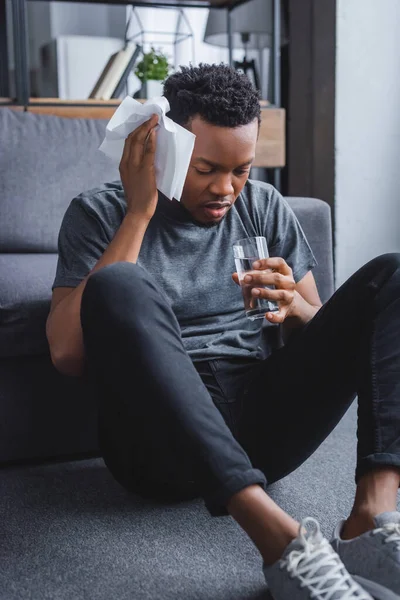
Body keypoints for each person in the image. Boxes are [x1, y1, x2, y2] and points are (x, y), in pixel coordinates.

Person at [46, 63, 400, 600]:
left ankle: (369, 519)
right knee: (119, 284)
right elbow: (67, 354)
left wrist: (298, 311)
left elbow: (322, 330)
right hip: (157, 447)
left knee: (393, 274)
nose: (226, 189)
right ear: (166, 150)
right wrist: (139, 214)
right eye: (206, 168)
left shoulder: (262, 206)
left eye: (241, 170)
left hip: (261, 425)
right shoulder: (97, 214)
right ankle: (281, 542)